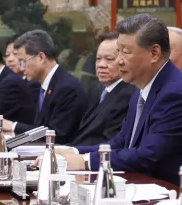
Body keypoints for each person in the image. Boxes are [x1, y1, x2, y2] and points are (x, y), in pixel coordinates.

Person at [62, 14, 182, 183]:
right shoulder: (140, 91)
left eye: (125, 52)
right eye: (118, 52)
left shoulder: (175, 93)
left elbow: (148, 156)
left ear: (154, 53)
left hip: (167, 198)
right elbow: (120, 143)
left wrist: (85, 161)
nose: (119, 61)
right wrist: (72, 152)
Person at [2, 30, 87, 144]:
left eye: (23, 62)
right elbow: (40, 128)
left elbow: (56, 134)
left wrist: (14, 126)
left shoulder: (66, 88)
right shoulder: (43, 85)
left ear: (41, 57)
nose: (21, 68)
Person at [71, 32, 136, 147]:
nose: (101, 65)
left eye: (109, 59)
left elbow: (111, 142)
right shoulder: (96, 89)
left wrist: (74, 153)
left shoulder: (130, 95)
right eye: (98, 59)